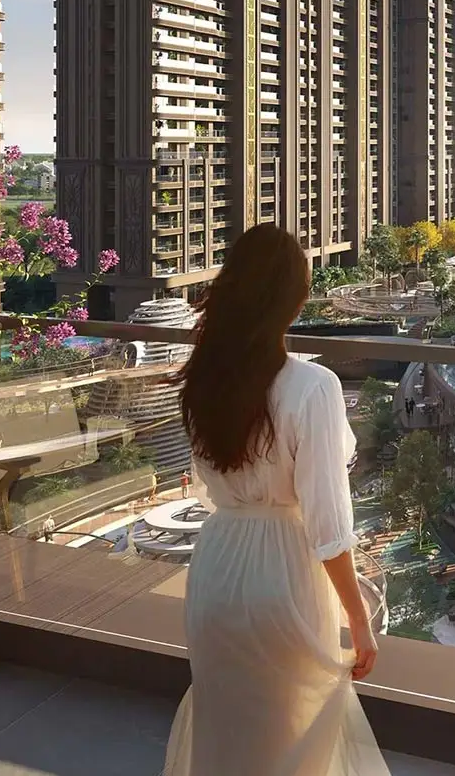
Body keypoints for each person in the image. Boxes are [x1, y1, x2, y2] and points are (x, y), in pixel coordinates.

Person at [164, 224, 387, 776]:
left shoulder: (203, 378)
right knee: (291, 743)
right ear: (294, 300)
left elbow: (206, 479)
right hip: (283, 576)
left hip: (216, 567)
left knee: (229, 737)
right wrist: (359, 621)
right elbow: (328, 526)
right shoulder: (312, 386)